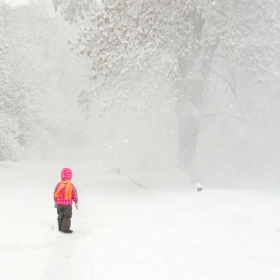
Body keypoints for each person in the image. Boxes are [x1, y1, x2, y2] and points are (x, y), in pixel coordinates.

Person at [53, 167, 78, 233]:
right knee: (67, 216)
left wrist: (55, 201)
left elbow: (55, 193)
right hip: (67, 205)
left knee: (60, 215)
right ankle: (65, 228)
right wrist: (76, 201)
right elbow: (74, 194)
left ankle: (60, 227)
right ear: (70, 176)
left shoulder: (59, 185)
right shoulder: (71, 185)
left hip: (59, 204)